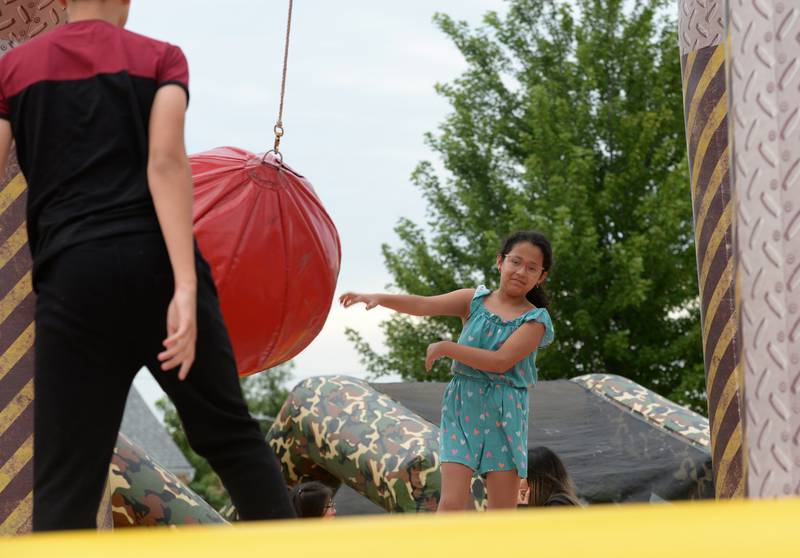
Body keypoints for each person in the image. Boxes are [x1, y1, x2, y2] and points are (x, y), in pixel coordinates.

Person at [0, 0, 295, 530]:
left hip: (73, 282)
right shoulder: (161, 59)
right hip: (156, 268)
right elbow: (165, 163)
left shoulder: (14, 69)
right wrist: (184, 287)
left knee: (66, 477)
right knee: (230, 439)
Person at [340, 230, 555, 511]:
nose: (520, 271)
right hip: (463, 405)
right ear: (500, 262)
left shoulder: (536, 320)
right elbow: (423, 303)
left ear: (541, 277)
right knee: (451, 503)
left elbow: (500, 362)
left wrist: (446, 348)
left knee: (502, 514)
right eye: (515, 261)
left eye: (531, 268)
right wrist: (378, 297)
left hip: (506, 411)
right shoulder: (474, 300)